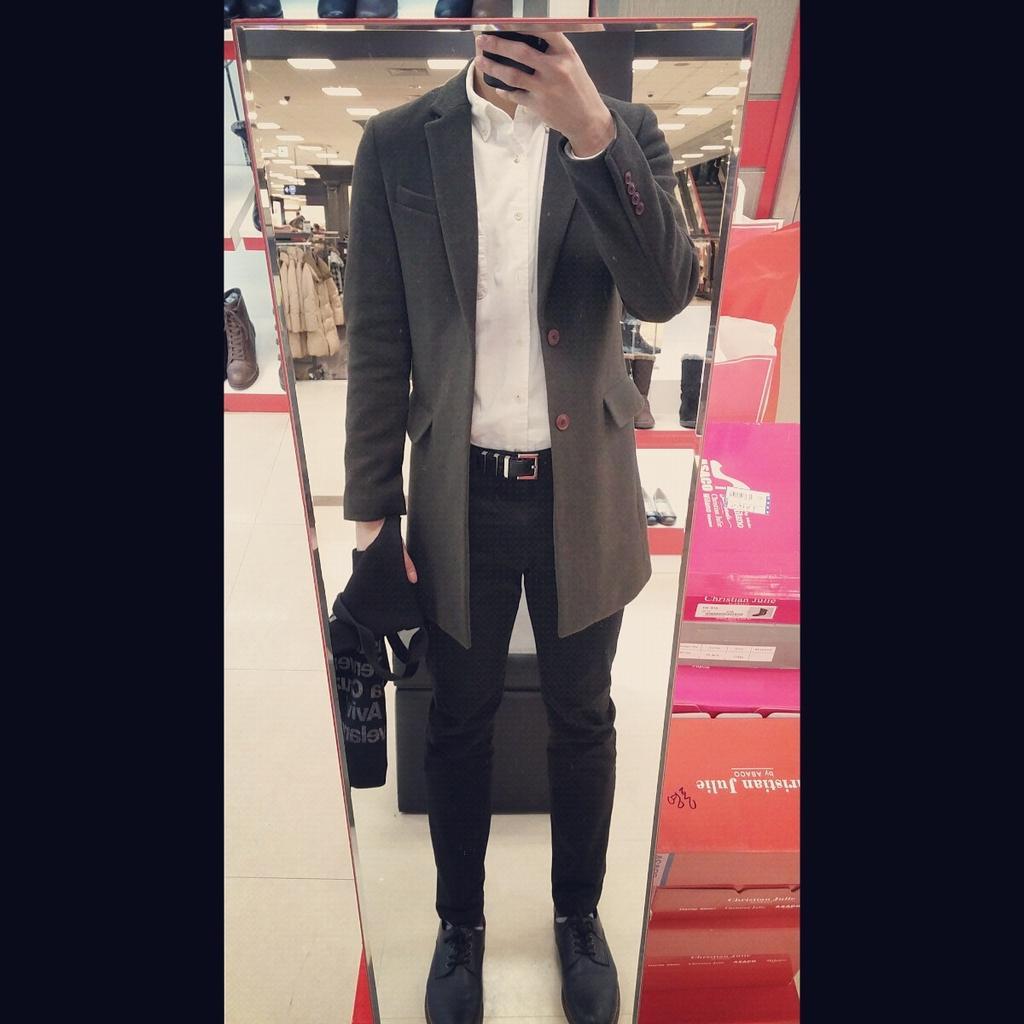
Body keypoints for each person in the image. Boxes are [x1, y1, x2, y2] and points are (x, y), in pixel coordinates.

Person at [342, 31, 698, 1024]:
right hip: (457, 493)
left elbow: (665, 293)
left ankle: (578, 914)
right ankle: (459, 923)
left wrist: (592, 136)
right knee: (458, 719)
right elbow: (378, 339)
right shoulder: (398, 141)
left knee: (584, 716)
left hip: (586, 488)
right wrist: (371, 519)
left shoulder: (624, 129)